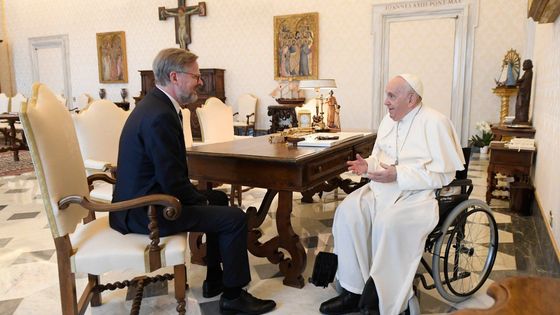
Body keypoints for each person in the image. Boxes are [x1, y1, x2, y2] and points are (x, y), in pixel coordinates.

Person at [111, 48, 276, 315]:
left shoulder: (157, 105)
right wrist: (199, 199)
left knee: (220, 199)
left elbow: (170, 177)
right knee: (234, 218)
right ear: (175, 77)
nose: (200, 82)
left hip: (147, 200)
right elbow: (172, 181)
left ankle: (214, 279)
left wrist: (204, 198)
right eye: (196, 76)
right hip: (146, 211)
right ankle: (234, 297)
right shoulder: (159, 115)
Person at [319, 74, 464, 315]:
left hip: (417, 195)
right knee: (348, 212)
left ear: (411, 98)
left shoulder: (436, 122)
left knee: (388, 223)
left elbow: (444, 176)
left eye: (391, 96)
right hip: (379, 189)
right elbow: (381, 158)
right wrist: (369, 165)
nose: (386, 102)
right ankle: (353, 291)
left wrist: (399, 175)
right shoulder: (389, 121)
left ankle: (381, 301)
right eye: (386, 95)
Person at [513, 59, 533, 124]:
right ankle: (519, 118)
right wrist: (517, 82)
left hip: (524, 94)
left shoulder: (529, 73)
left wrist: (519, 84)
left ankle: (522, 119)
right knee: (518, 106)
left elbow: (525, 85)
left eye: (524, 64)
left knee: (521, 106)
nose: (523, 66)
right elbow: (522, 80)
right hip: (522, 93)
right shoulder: (527, 72)